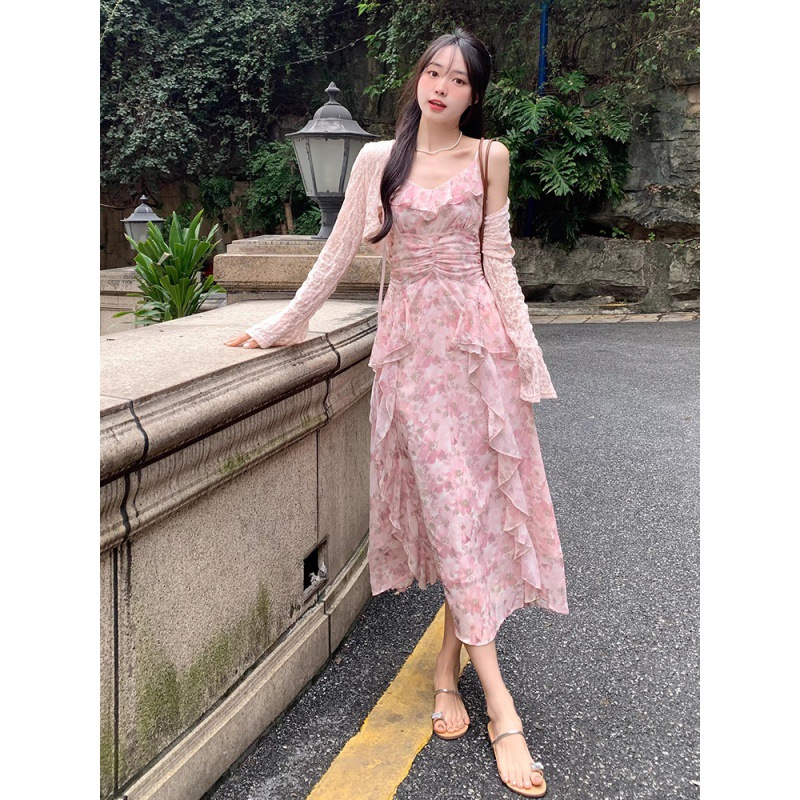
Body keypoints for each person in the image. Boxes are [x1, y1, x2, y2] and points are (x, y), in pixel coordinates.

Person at [224, 27, 568, 798]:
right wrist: (284, 324)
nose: (441, 86)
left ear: (475, 94)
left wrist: (526, 359)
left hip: (479, 356)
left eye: (459, 79)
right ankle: (503, 709)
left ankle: (447, 673)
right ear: (419, 78)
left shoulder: (490, 157)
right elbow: (338, 251)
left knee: (471, 519)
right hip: (414, 361)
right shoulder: (380, 160)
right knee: (451, 513)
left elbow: (499, 266)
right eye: (433, 72)